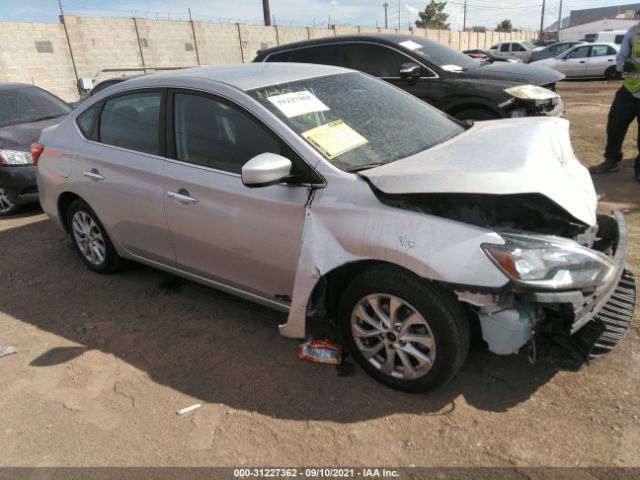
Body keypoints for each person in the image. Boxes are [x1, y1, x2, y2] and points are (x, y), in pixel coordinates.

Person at [590, 15, 640, 179]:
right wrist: (623, 65)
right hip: (630, 87)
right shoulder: (634, 31)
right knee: (615, 123)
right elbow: (621, 57)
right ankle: (611, 160)